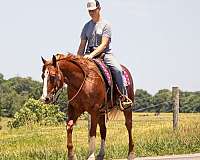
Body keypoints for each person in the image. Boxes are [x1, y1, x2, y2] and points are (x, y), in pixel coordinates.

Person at [77, 0, 132, 108]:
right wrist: (78, 58)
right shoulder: (86, 26)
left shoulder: (106, 25)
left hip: (105, 54)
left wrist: (91, 55)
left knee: (117, 69)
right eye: (89, 11)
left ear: (99, 8)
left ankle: (123, 97)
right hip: (88, 55)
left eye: (93, 10)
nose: (91, 13)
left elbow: (103, 45)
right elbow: (82, 45)